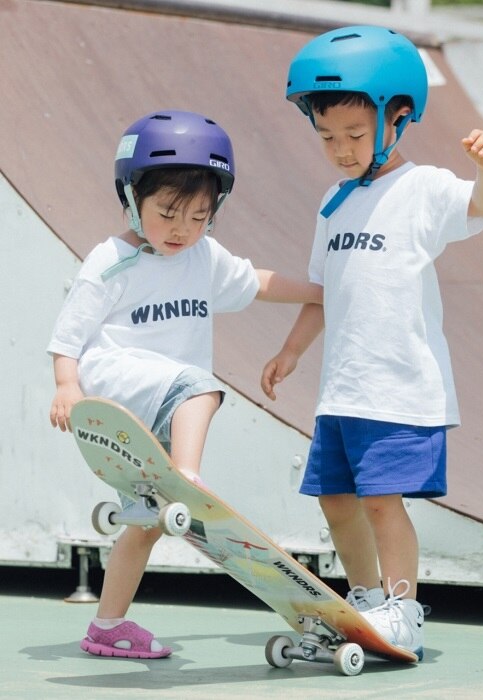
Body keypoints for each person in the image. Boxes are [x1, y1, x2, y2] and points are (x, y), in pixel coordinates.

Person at [261, 25, 483, 659]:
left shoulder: (421, 190)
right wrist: (291, 352)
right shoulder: (333, 203)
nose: (340, 150)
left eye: (354, 135)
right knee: (337, 500)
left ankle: (403, 608)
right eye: (327, 137)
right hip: (342, 389)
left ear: (398, 119)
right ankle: (366, 602)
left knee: (379, 502)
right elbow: (322, 290)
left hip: (400, 387)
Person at [48, 109, 322, 659]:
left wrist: (318, 290)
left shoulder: (202, 256)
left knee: (146, 523)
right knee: (202, 385)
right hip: (116, 383)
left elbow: (257, 282)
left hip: (156, 416)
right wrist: (66, 386)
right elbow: (68, 334)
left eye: (200, 217)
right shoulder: (110, 261)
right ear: (131, 199)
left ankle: (106, 626)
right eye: (168, 213)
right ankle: (188, 477)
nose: (183, 230)